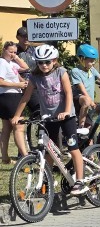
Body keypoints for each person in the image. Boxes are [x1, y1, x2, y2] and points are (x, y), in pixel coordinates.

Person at [11, 45, 88, 195]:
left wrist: (66, 111)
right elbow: (26, 97)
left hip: (67, 116)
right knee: (49, 152)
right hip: (48, 117)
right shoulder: (34, 77)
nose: (44, 65)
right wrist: (17, 115)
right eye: (40, 62)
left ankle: (80, 180)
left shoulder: (61, 72)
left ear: (54, 60)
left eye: (47, 62)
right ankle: (46, 181)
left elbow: (68, 93)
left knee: (73, 148)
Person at [0, 42, 30, 162]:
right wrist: (18, 85)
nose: (12, 54)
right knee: (19, 127)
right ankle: (26, 156)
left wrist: (16, 57)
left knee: (7, 128)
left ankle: (5, 157)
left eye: (15, 52)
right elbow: (0, 82)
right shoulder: (2, 63)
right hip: (10, 96)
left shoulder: (11, 63)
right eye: (10, 52)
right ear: (4, 50)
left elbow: (26, 67)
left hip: (9, 96)